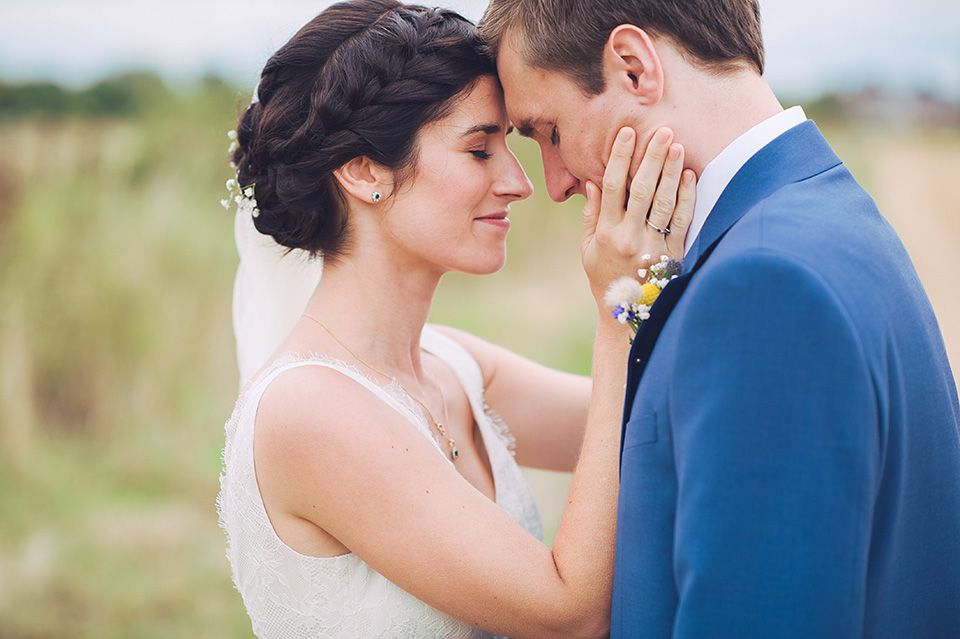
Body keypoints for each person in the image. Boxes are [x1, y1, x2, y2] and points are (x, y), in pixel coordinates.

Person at [478, 0, 960, 637]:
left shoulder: (760, 287)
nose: (557, 181)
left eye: (551, 132)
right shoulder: (822, 212)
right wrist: (630, 297)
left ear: (632, 67)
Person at [217, 1, 695, 637]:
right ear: (364, 172)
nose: (519, 182)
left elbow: (666, 423)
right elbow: (569, 613)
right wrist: (621, 308)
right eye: (478, 149)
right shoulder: (308, 412)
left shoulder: (459, 369)